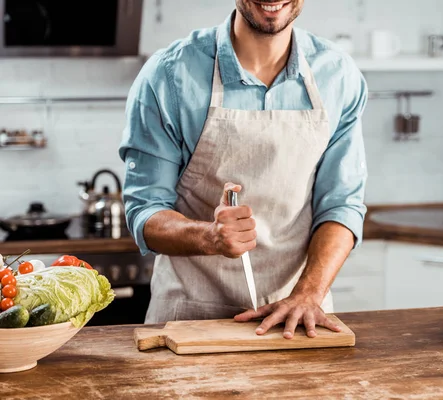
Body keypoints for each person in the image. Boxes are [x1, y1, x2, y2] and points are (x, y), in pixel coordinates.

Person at [118, 0, 368, 339]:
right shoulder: (169, 75)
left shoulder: (337, 75)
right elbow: (145, 212)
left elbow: (342, 205)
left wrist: (309, 293)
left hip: (296, 321)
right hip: (189, 322)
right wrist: (210, 236)